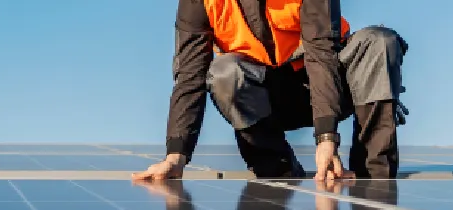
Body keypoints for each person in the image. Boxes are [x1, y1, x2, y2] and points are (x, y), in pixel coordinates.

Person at [131, 0, 409, 181]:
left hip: (333, 85)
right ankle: (278, 170)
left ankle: (375, 177)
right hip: (267, 98)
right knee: (225, 73)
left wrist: (326, 138)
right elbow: (190, 76)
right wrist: (176, 156)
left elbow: (322, 54)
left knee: (379, 43)